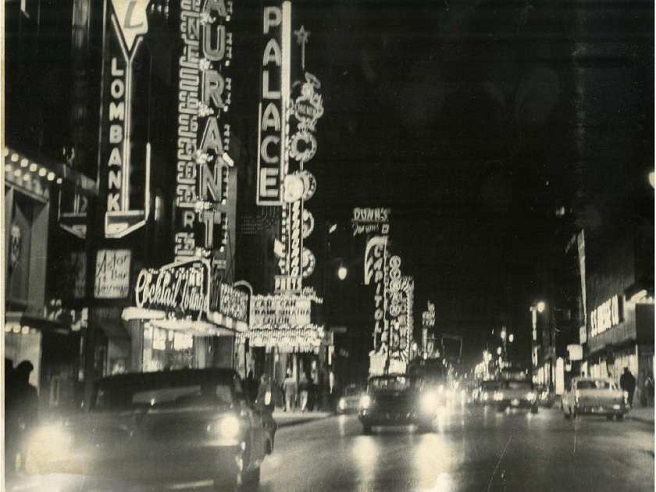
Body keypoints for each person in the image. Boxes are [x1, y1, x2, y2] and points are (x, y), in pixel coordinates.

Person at [6, 360, 39, 473]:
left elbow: (34, 409)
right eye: (26, 373)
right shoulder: (14, 386)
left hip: (22, 420)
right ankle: (15, 467)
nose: (27, 376)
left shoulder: (30, 390)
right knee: (16, 443)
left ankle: (19, 467)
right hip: (14, 419)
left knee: (21, 443)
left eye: (28, 373)